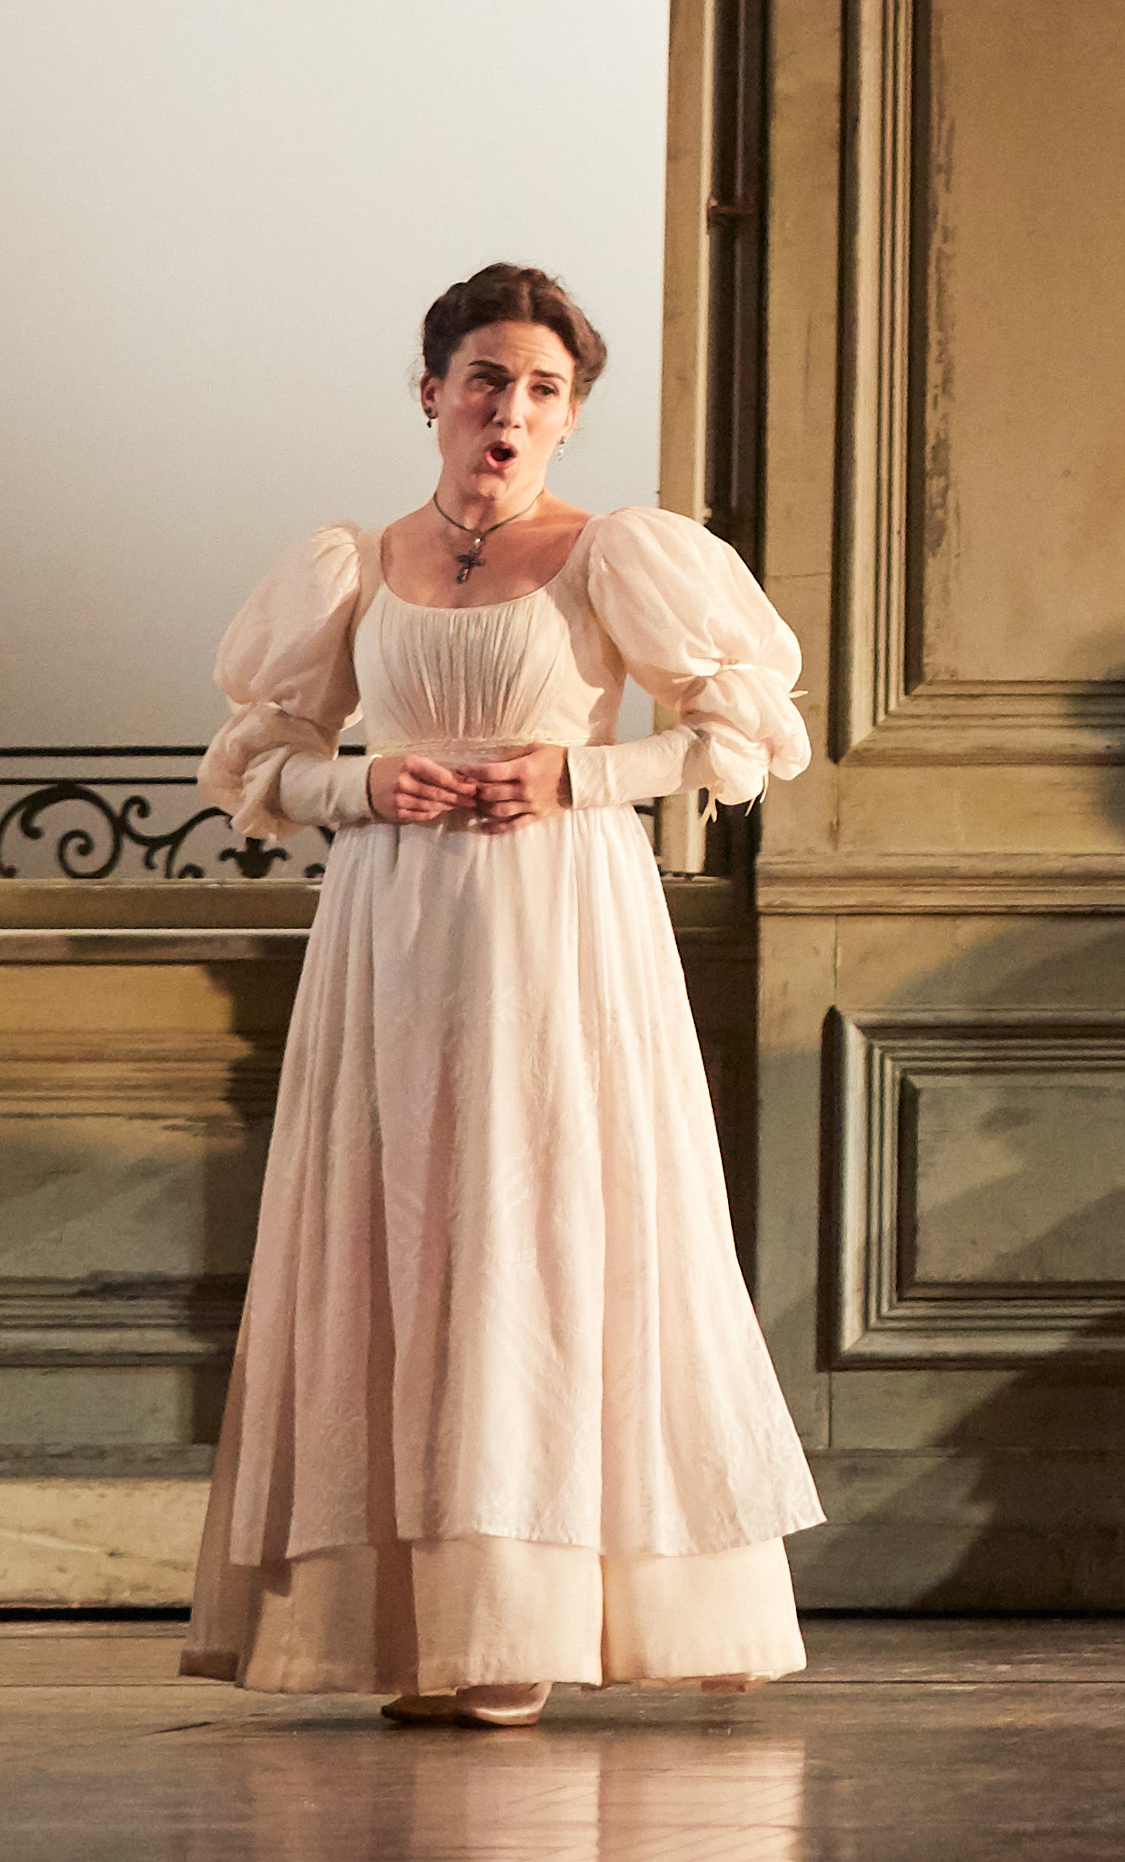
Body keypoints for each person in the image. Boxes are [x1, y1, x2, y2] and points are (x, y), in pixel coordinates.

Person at [180, 262, 825, 1724]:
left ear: (569, 413)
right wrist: (362, 784)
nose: (509, 409)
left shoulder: (613, 553)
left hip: (559, 927)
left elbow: (743, 735)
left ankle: (527, 1623)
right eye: (485, 379)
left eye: (541, 388)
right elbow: (259, 761)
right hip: (394, 934)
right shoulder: (354, 565)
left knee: (541, 1228)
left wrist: (577, 772)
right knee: (402, 1232)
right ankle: (417, 1625)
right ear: (432, 393)